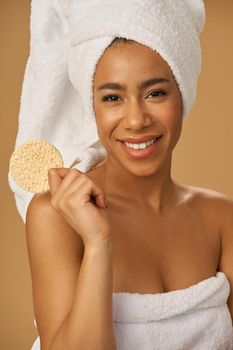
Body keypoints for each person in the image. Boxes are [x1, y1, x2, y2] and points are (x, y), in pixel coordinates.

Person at [10, 1, 233, 349]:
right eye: (113, 97)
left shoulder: (222, 218)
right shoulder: (55, 215)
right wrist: (98, 243)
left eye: (155, 93)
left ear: (183, 95)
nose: (135, 120)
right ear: (93, 107)